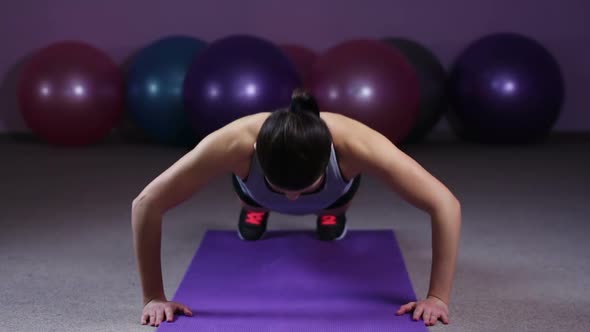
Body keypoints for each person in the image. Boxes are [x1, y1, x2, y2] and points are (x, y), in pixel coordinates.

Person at [131, 89, 462, 328]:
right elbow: (146, 203)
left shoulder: (356, 143)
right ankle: (255, 206)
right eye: (282, 189)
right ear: (258, 150)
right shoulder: (234, 143)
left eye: (303, 189)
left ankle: (330, 210)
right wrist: (153, 297)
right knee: (254, 192)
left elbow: (444, 203)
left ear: (329, 152)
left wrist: (437, 297)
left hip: (334, 191)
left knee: (335, 193)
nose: (292, 200)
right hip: (254, 191)